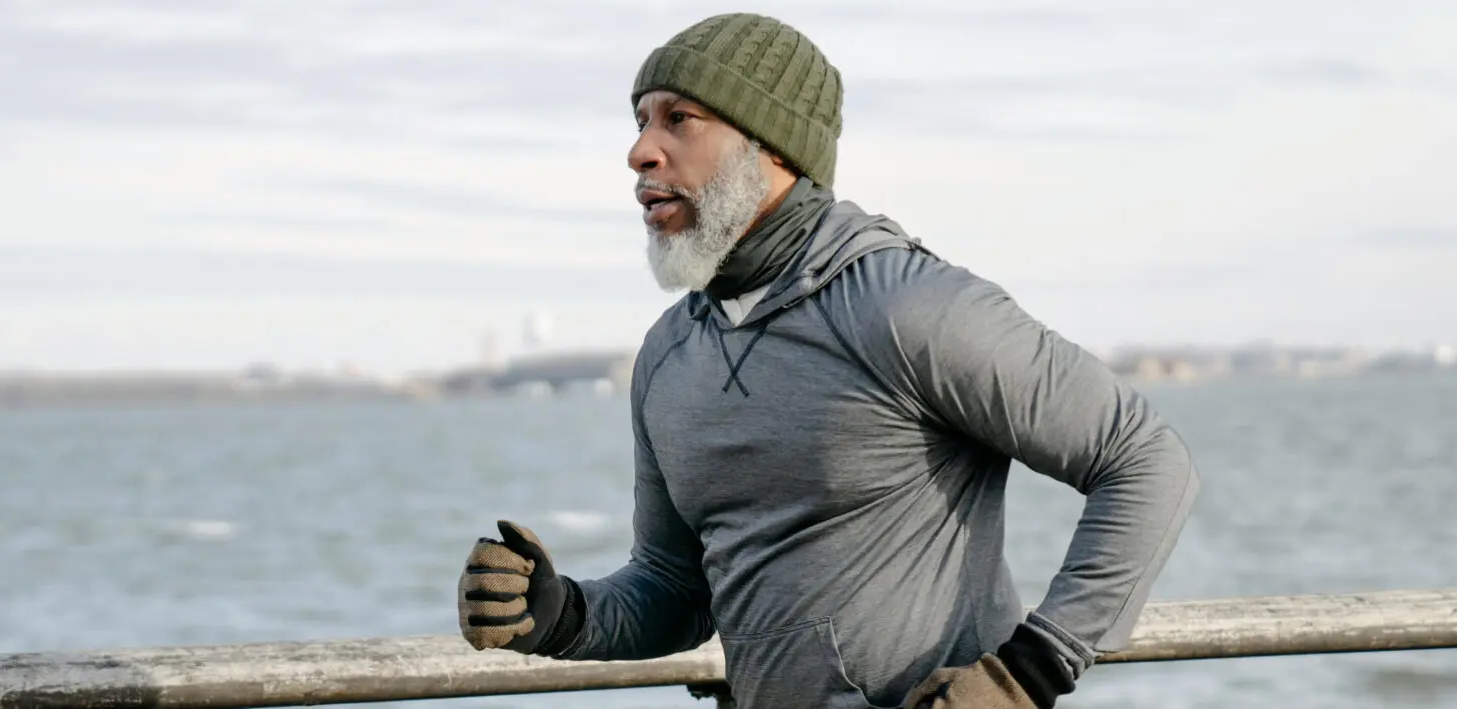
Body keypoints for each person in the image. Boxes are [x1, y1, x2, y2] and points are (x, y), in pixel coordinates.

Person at [456, 12, 1200, 708]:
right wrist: (558, 613)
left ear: (770, 145)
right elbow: (676, 590)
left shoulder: (908, 305)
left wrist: (1027, 672)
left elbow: (1144, 461)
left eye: (678, 118)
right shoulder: (667, 356)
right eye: (641, 120)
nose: (640, 150)